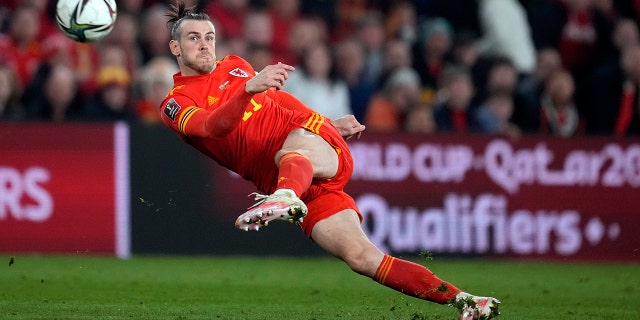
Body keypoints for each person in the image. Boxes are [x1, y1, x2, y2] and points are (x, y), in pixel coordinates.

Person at [159, 2, 500, 319]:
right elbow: (212, 127)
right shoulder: (176, 102)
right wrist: (248, 89)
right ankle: (468, 302)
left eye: (209, 37)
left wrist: (327, 124)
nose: (205, 45)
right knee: (364, 259)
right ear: (176, 48)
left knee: (290, 150)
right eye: (194, 38)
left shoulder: (235, 66)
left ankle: (285, 196)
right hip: (294, 181)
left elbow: (283, 103)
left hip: (309, 147)